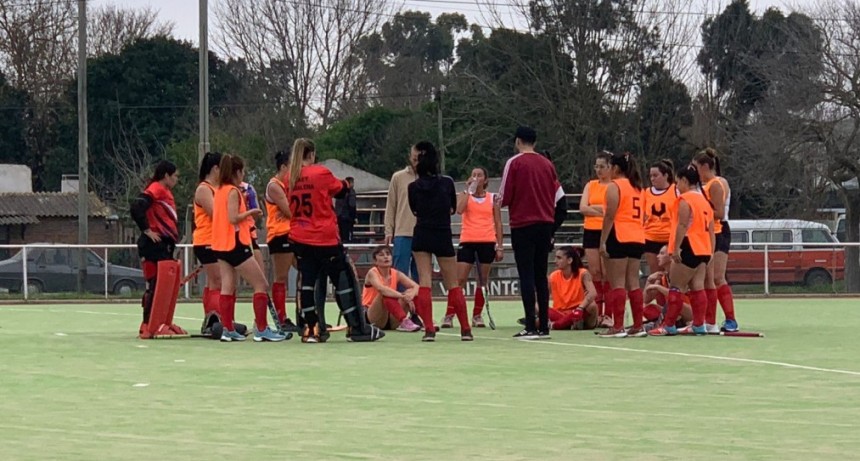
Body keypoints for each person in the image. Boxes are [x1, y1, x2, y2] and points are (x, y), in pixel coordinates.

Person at [286, 138, 384, 343]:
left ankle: (311, 328)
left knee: (308, 283)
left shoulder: (290, 177)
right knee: (344, 279)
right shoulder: (320, 173)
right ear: (311, 154)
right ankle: (357, 328)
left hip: (300, 237)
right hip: (324, 237)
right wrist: (347, 183)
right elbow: (340, 189)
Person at [211, 154, 287, 343]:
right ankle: (261, 328)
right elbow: (233, 218)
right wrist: (251, 212)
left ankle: (227, 329)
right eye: (243, 171)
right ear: (237, 172)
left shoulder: (218, 190)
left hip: (220, 244)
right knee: (261, 284)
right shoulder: (233, 191)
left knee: (228, 285)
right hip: (235, 244)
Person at [500, 126, 562, 340]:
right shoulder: (547, 164)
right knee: (540, 274)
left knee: (526, 274)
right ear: (534, 142)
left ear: (518, 141)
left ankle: (530, 324)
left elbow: (505, 195)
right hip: (545, 223)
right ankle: (543, 324)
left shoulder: (514, 162)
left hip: (523, 223)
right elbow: (556, 194)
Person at [408, 141, 471, 342]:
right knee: (453, 283)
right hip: (442, 233)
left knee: (424, 281)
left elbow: (415, 210)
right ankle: (466, 329)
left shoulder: (413, 187)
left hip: (422, 233)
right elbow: (452, 208)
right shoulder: (446, 183)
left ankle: (428, 329)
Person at [648, 165, 714, 336]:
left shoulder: (685, 200)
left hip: (689, 245)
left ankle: (668, 325)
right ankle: (699, 324)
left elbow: (682, 225)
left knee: (676, 286)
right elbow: (712, 228)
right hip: (704, 247)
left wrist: (675, 248)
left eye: (677, 182)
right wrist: (711, 251)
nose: (676, 186)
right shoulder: (704, 201)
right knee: (698, 286)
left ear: (685, 180)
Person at [440, 167, 503, 329]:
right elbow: (459, 210)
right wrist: (468, 191)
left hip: (487, 241)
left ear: (486, 180)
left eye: (479, 175)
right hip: (468, 240)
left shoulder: (492, 198)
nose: (476, 178)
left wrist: (500, 246)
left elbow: (498, 222)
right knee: (459, 280)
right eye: (473, 175)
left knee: (482, 280)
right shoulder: (464, 195)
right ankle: (449, 314)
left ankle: (477, 315)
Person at [131, 160, 186, 338]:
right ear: (166, 176)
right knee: (155, 285)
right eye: (175, 176)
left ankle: (162, 321)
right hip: (154, 246)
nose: (177, 179)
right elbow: (137, 207)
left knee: (164, 286)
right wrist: (147, 230)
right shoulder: (156, 188)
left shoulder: (165, 192)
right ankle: (148, 324)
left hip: (164, 245)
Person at [598, 152, 646, 338]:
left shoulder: (614, 186)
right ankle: (638, 325)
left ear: (615, 168)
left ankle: (618, 326)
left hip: (618, 234)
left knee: (616, 282)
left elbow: (610, 215)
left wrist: (602, 240)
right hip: (637, 236)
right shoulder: (638, 188)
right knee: (633, 282)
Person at [693, 148, 738, 333]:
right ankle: (708, 320)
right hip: (706, 232)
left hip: (719, 232)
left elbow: (719, 213)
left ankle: (731, 320)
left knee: (717, 277)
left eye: (696, 168)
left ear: (705, 166)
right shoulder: (703, 185)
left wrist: (697, 211)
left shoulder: (717, 183)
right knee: (706, 279)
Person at [264, 150, 299, 332]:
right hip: (280, 235)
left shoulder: (289, 185)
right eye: (291, 166)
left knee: (304, 271)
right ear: (283, 167)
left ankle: (303, 313)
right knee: (281, 277)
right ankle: (281, 317)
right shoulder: (274, 185)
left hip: (293, 233)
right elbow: (288, 210)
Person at [579, 151, 613, 328]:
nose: (598, 170)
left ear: (610, 167)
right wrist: (600, 209)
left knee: (608, 274)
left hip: (607, 231)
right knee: (595, 272)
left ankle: (609, 314)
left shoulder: (614, 185)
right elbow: (583, 208)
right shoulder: (590, 185)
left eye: (602, 166)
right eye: (596, 166)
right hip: (591, 231)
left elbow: (612, 210)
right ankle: (598, 313)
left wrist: (596, 208)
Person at [362, 245, 422, 332]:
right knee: (384, 293)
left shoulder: (396, 273)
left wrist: (410, 296)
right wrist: (402, 296)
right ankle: (405, 320)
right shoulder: (372, 273)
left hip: (392, 316)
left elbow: (417, 287)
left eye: (388, 254)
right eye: (381, 255)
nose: (386, 257)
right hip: (373, 315)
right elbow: (381, 289)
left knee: (410, 291)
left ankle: (421, 319)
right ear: (375, 261)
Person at [384, 150, 419, 284]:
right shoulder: (398, 177)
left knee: (421, 277)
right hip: (402, 233)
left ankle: (420, 304)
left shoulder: (430, 178)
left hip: (423, 234)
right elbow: (391, 204)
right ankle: (399, 304)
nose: (417, 162)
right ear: (410, 157)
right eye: (414, 158)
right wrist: (389, 229)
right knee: (399, 275)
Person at [548, 246, 598, 330]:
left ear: (569, 260)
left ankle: (557, 324)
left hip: (580, 311)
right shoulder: (553, 276)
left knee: (592, 306)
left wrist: (580, 308)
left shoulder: (583, 273)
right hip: (560, 312)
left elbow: (593, 293)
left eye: (559, 258)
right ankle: (569, 322)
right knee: (538, 306)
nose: (555, 261)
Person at [642, 245, 692, 329]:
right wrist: (649, 280)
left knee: (672, 302)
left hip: (690, 312)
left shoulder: (681, 274)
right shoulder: (663, 275)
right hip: (673, 311)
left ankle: (664, 324)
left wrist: (658, 287)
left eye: (662, 254)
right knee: (647, 308)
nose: (658, 256)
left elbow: (678, 297)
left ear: (671, 257)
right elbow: (646, 300)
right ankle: (672, 322)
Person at [643, 159, 676, 275]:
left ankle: (672, 293)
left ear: (666, 175)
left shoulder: (675, 191)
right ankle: (657, 292)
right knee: (655, 272)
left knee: (671, 272)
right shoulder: (646, 192)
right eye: (651, 176)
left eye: (656, 175)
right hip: (651, 237)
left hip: (669, 238)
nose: (652, 178)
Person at [336, 176, 357, 243]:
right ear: (350, 183)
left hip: (339, 216)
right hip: (347, 217)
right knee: (348, 238)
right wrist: (354, 217)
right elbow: (352, 205)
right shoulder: (351, 192)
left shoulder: (339, 191)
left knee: (340, 237)